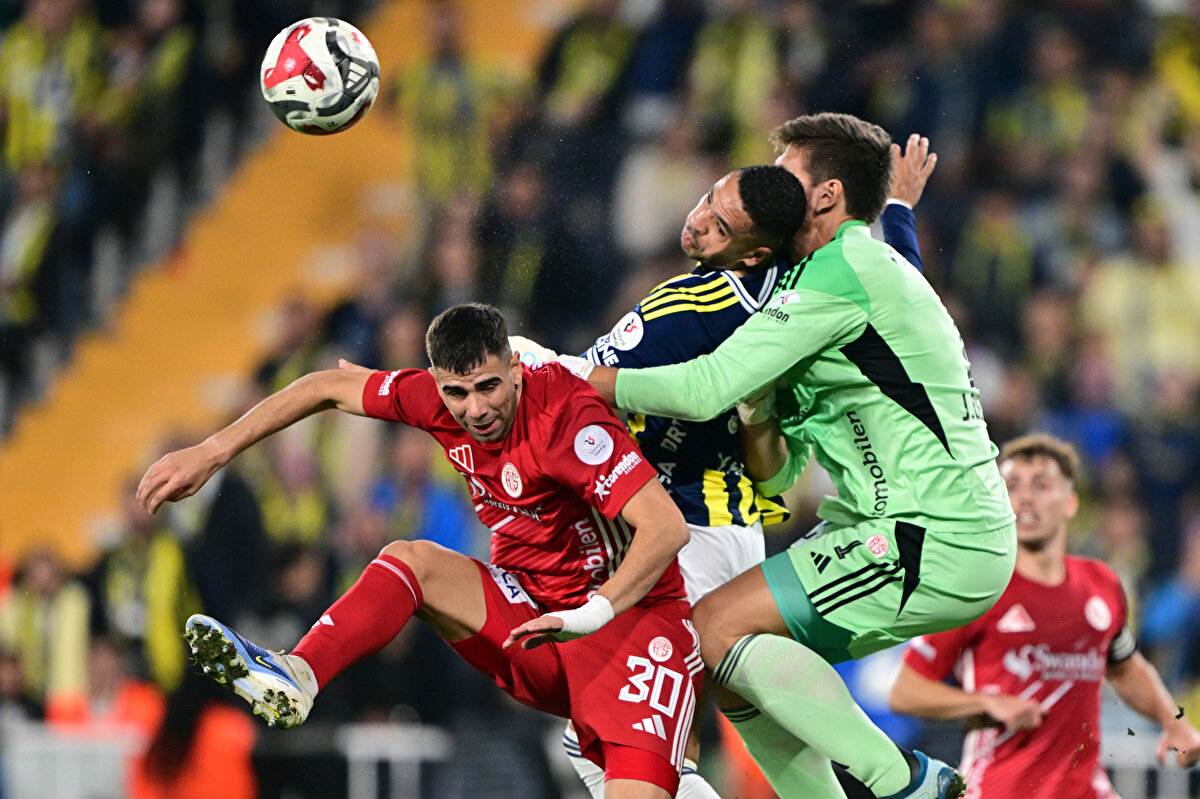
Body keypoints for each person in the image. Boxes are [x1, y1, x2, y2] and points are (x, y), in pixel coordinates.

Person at [566, 112, 1015, 799]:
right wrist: (897, 210)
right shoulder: (854, 271)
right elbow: (778, 471)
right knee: (726, 651)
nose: (769, 187)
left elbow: (703, 384)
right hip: (909, 528)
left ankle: (908, 782)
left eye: (788, 175)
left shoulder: (837, 276)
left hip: (931, 531)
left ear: (827, 196)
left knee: (714, 623)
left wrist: (566, 371)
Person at [136, 303, 701, 799]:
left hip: (630, 631)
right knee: (411, 560)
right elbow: (322, 388)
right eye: (456, 392)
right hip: (533, 622)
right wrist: (212, 452)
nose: (474, 409)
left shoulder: (569, 419)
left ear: (517, 370)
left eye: (488, 387)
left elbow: (666, 529)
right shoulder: (433, 398)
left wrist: (592, 613)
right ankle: (300, 674)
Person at [888, 433, 1200, 797]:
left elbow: (1126, 667)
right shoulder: (978, 590)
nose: (1025, 497)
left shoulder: (1102, 584)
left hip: (1086, 788)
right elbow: (905, 692)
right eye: (1013, 485)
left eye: (1041, 485)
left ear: (1069, 503)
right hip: (999, 789)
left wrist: (1173, 722)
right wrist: (986, 702)